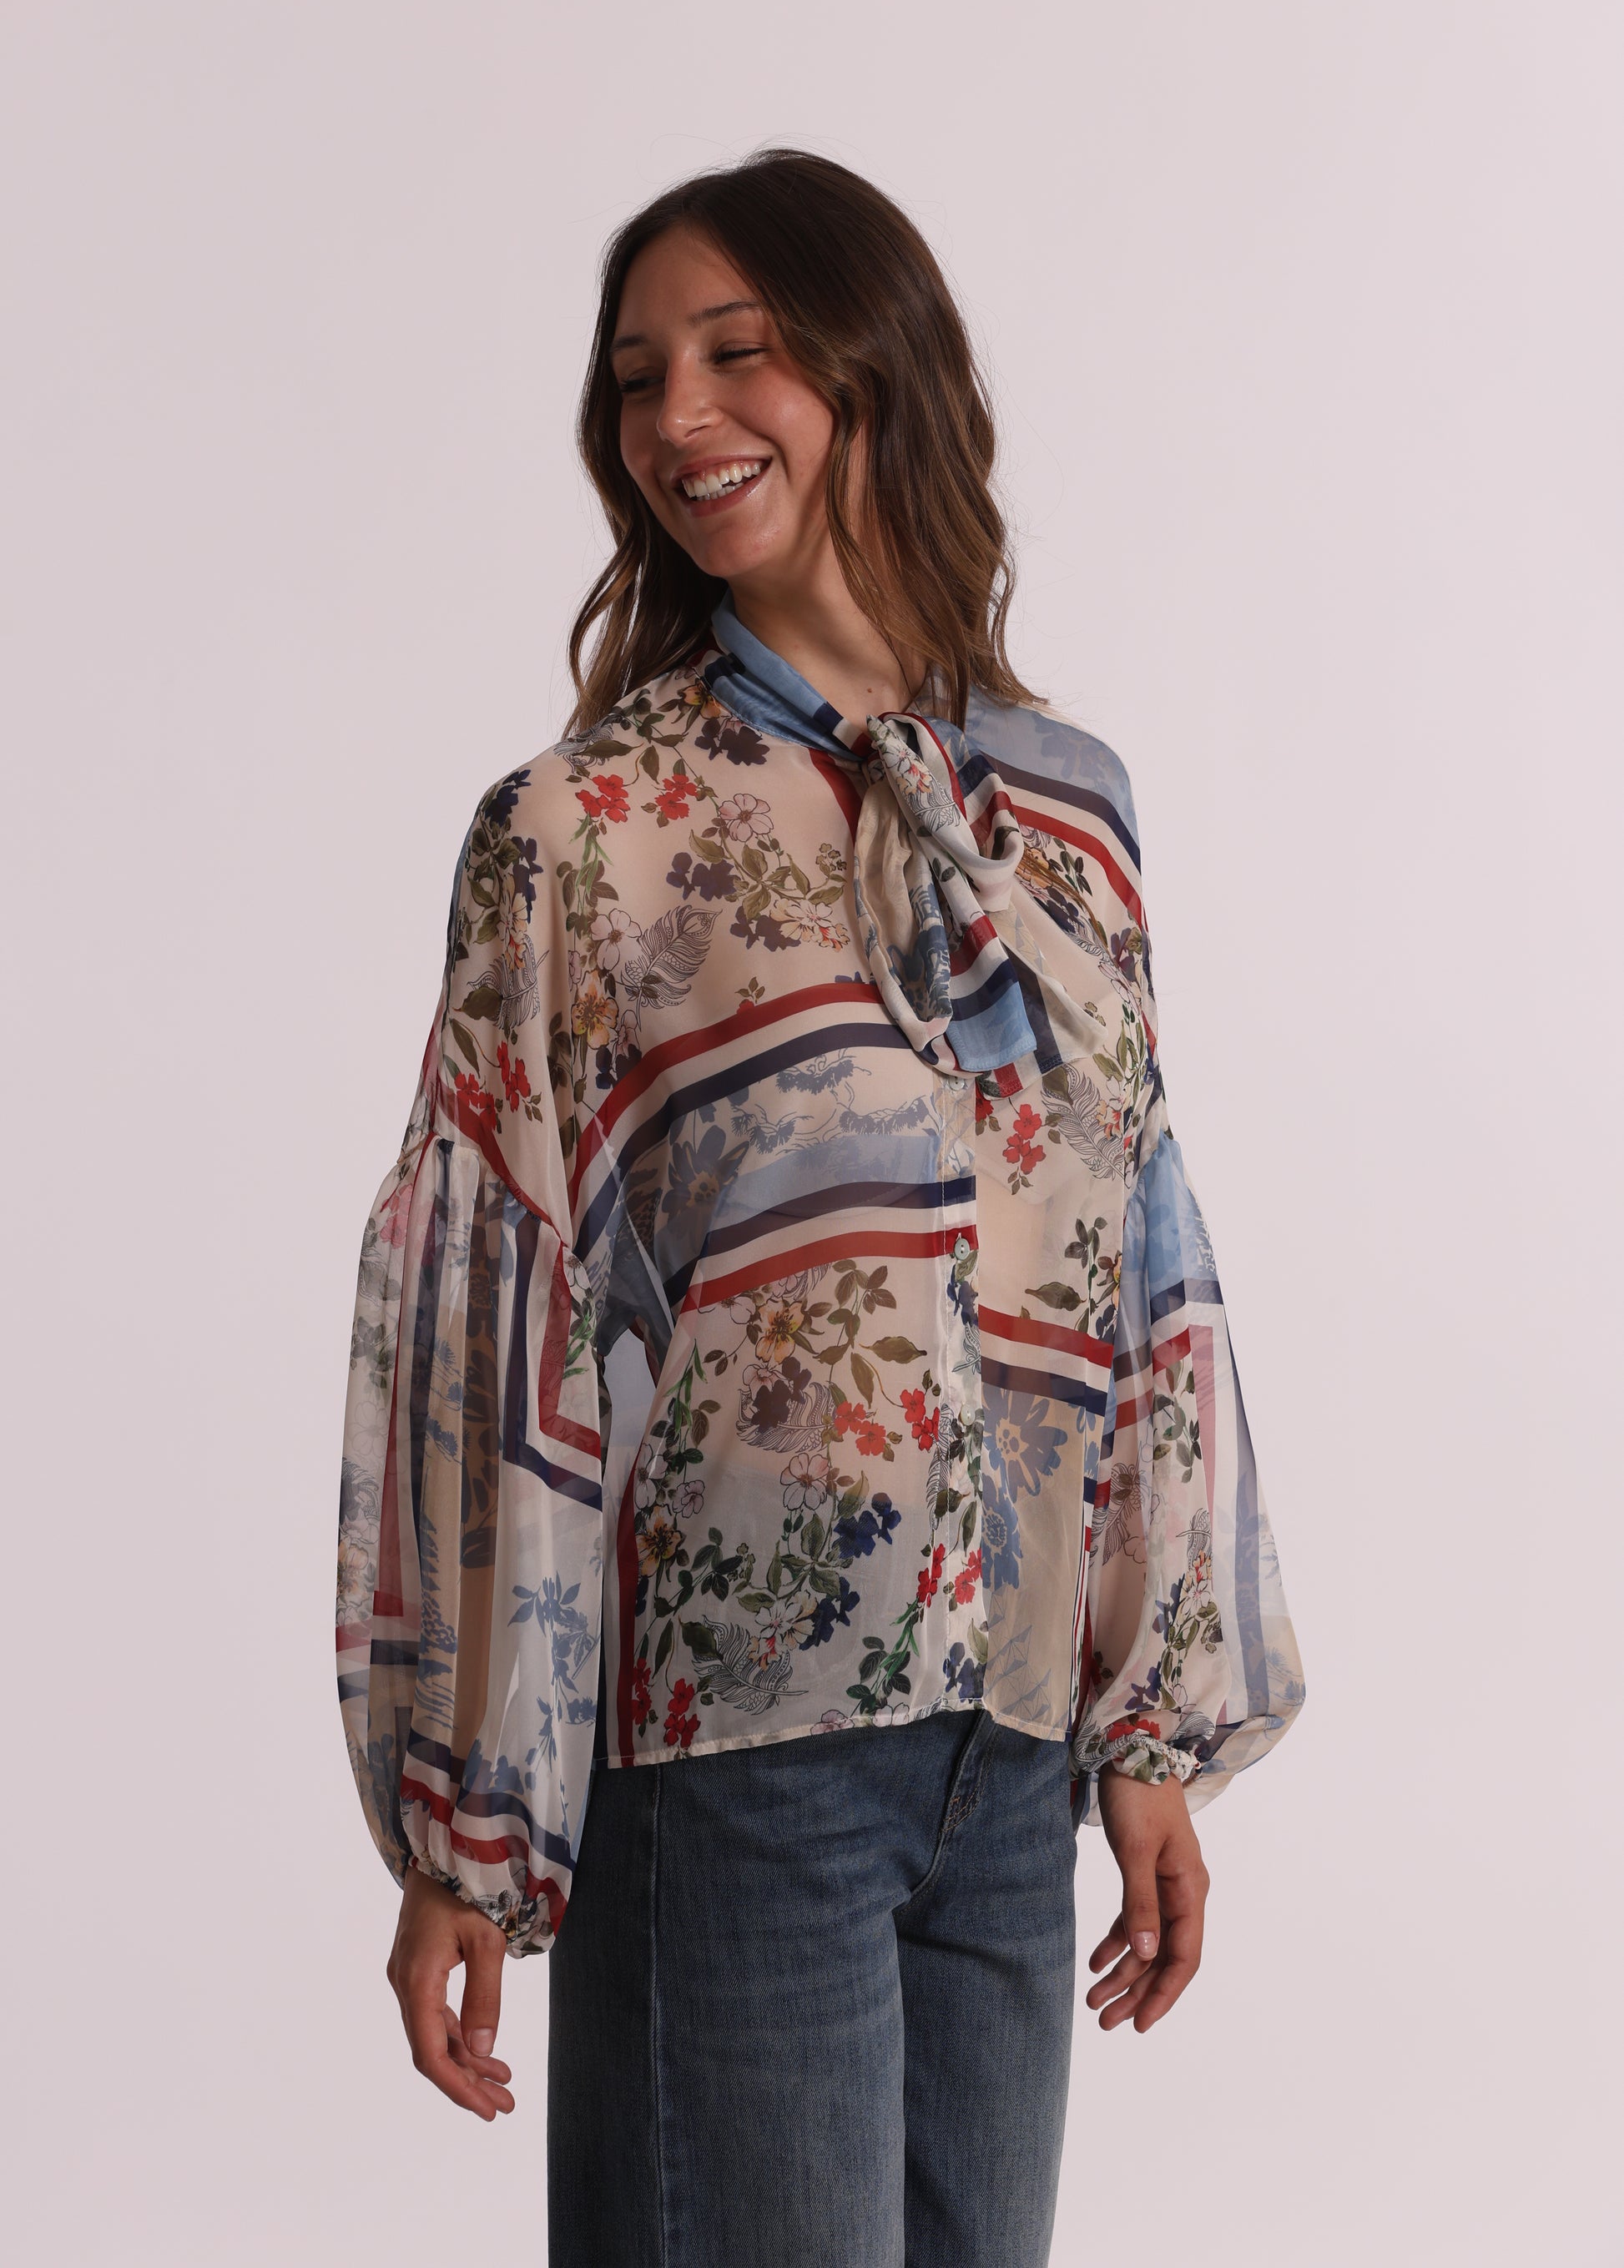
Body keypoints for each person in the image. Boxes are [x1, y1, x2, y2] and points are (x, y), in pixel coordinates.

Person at [335, 147, 1304, 2268]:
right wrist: (463, 1817)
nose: (675, 416)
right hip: (737, 1744)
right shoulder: (589, 825)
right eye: (635, 377)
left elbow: (1140, 1262)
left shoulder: (1068, 809)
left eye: (735, 352)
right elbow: (488, 1305)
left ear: (877, 368)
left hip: (1010, 1758)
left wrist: (1147, 1722)